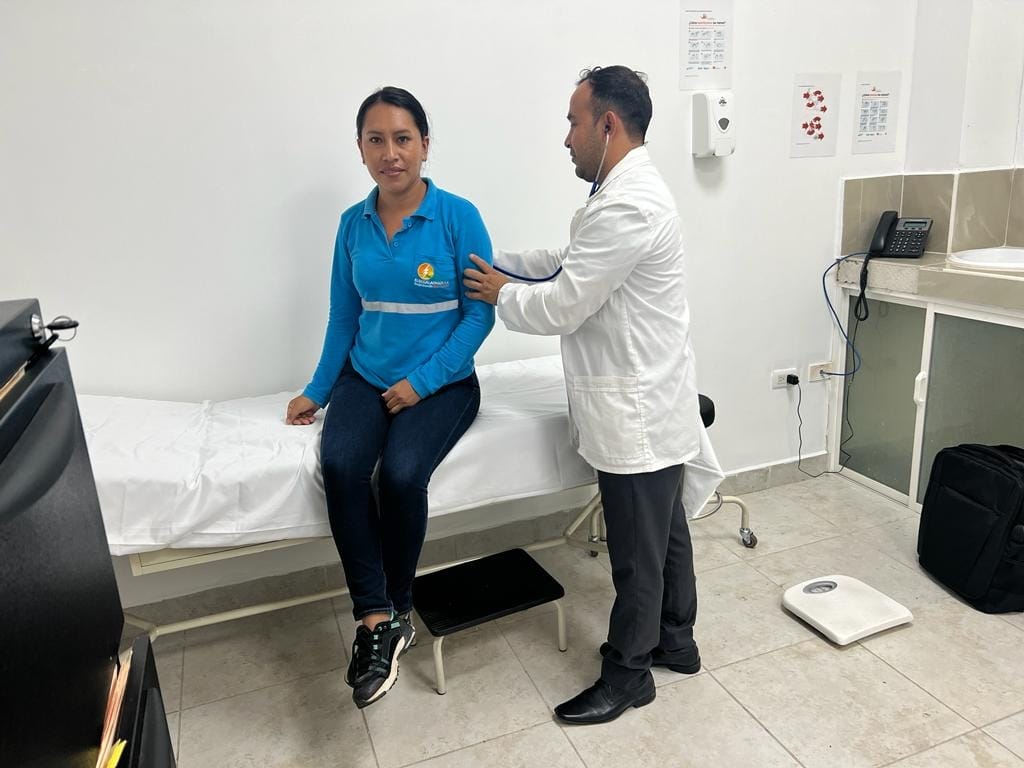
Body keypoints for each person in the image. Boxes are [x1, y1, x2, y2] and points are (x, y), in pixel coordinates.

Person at [463, 65, 721, 725]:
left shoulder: (630, 204)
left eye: (573, 123)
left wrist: (499, 294)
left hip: (637, 410)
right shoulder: (619, 196)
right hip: (651, 397)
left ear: (607, 124)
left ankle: (629, 675)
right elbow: (566, 261)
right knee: (665, 535)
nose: (566, 138)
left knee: (636, 555)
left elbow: (564, 303)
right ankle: (677, 640)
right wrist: (498, 261)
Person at [287, 86, 494, 709]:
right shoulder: (352, 225)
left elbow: (480, 315)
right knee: (342, 465)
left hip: (444, 384)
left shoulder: (458, 217)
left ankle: (399, 609)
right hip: (365, 377)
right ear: (360, 149)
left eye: (403, 138)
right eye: (375, 140)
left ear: (425, 145)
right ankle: (375, 618)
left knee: (401, 475)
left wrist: (421, 382)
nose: (390, 153)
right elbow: (343, 316)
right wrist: (317, 390)